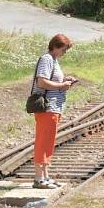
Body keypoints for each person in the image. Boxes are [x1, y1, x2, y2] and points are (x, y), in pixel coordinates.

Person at [32, 33, 76, 189]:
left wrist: (65, 80)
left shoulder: (54, 60)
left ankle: (45, 175)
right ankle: (39, 178)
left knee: (48, 142)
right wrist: (61, 86)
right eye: (63, 49)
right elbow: (42, 81)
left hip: (54, 107)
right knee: (43, 141)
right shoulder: (47, 59)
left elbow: (51, 80)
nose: (64, 53)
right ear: (56, 46)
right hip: (47, 107)